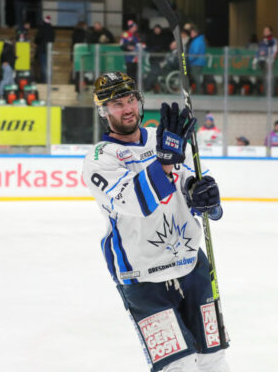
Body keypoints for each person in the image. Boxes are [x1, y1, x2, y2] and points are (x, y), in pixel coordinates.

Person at [82, 72, 230, 372]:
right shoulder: (99, 159)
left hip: (190, 263)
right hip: (142, 276)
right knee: (179, 366)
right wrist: (164, 160)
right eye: (117, 104)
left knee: (213, 358)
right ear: (103, 112)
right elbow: (137, 202)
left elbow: (187, 180)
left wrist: (204, 197)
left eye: (131, 99)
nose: (127, 108)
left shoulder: (160, 138)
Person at [144, 24, 170, 91]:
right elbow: (146, 47)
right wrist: (153, 50)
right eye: (156, 29)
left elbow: (166, 47)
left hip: (161, 58)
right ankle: (147, 86)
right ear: (154, 30)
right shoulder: (150, 37)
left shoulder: (164, 37)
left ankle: (152, 87)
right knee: (154, 72)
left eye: (158, 29)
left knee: (157, 72)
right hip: (153, 58)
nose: (157, 30)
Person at [34, 15, 55, 83]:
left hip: (42, 49)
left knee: (43, 65)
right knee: (49, 65)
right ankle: (49, 80)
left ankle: (45, 80)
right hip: (49, 49)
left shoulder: (42, 28)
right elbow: (53, 39)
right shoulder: (52, 29)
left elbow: (37, 38)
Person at [187, 25, 206, 94]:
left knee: (196, 77)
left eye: (192, 33)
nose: (191, 34)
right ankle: (198, 90)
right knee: (196, 77)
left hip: (196, 62)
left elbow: (195, 52)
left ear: (196, 33)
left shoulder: (197, 41)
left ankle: (199, 91)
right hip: (198, 62)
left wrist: (189, 59)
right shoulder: (199, 40)